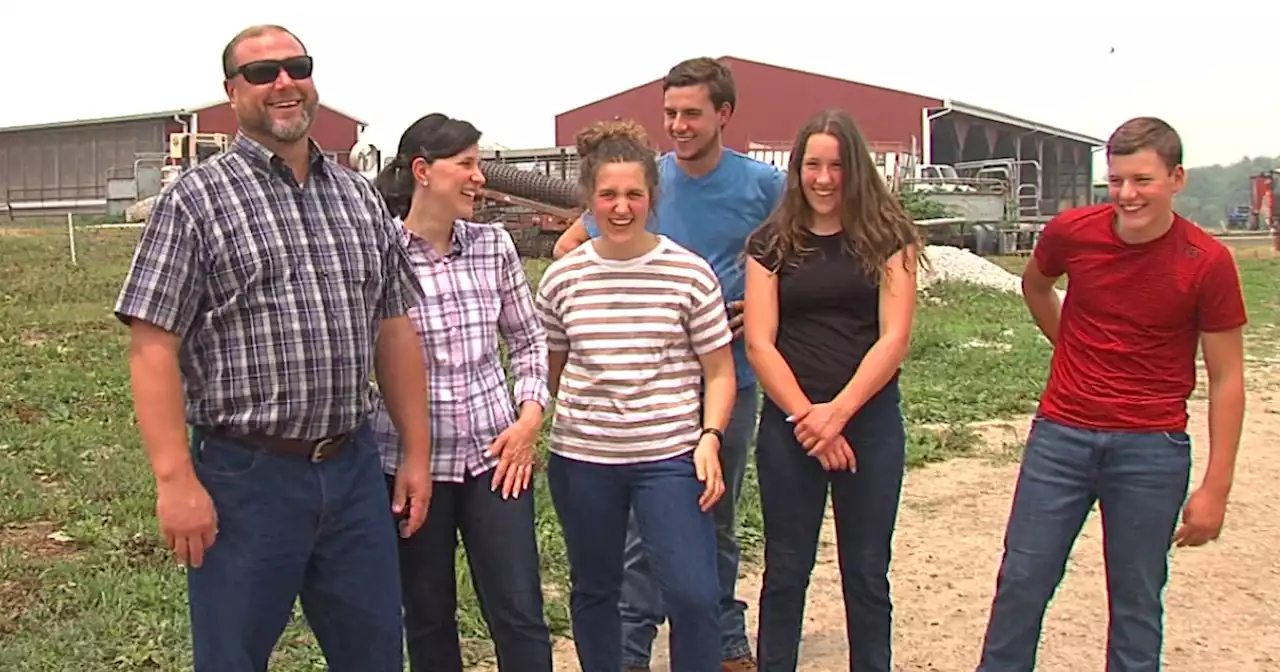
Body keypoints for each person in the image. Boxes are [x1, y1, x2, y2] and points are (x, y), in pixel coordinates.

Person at [113, 24, 433, 672]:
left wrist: (417, 453)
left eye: (297, 66)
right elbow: (152, 348)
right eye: (262, 73)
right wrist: (175, 481)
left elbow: (394, 329)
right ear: (233, 93)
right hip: (245, 479)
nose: (284, 82)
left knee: (374, 654)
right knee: (232, 657)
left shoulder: (359, 200)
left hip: (351, 471)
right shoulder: (196, 202)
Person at [975, 116, 1248, 671]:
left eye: (1142, 180)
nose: (1127, 194)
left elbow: (1228, 378)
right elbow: (1036, 284)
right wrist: (1069, 344)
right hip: (1062, 437)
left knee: (1137, 601)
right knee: (1022, 582)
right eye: (1117, 179)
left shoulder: (1206, 262)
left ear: (1176, 179)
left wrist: (1216, 487)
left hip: (1151, 447)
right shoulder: (1073, 232)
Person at [553, 56, 785, 672]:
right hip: (636, 390)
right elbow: (575, 245)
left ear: (723, 115)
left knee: (717, 519)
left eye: (691, 114)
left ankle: (724, 635)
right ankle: (631, 647)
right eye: (670, 114)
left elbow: (801, 256)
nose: (678, 126)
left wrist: (760, 306)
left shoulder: (762, 186)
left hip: (724, 375)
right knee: (639, 539)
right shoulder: (646, 178)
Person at [534, 119, 735, 672]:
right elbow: (550, 371)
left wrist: (710, 437)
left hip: (668, 459)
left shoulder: (688, 275)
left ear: (652, 197)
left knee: (694, 594)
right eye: (608, 195)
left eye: (633, 195)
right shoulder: (563, 278)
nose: (620, 208)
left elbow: (719, 371)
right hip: (583, 461)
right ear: (589, 200)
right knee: (595, 588)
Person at [368, 113, 554, 671]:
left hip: (494, 461)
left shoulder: (493, 246)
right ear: (423, 171)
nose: (479, 177)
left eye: (481, 165)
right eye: (466, 165)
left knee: (518, 609)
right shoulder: (381, 254)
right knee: (427, 615)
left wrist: (527, 422)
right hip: (406, 466)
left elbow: (528, 341)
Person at [742, 108, 922, 672]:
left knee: (866, 570)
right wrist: (808, 421)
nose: (823, 179)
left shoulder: (889, 238)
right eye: (812, 165)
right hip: (789, 427)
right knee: (786, 568)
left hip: (868, 424)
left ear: (856, 169)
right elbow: (760, 344)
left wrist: (837, 416)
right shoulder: (770, 242)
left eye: (836, 166)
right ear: (796, 170)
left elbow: (894, 339)